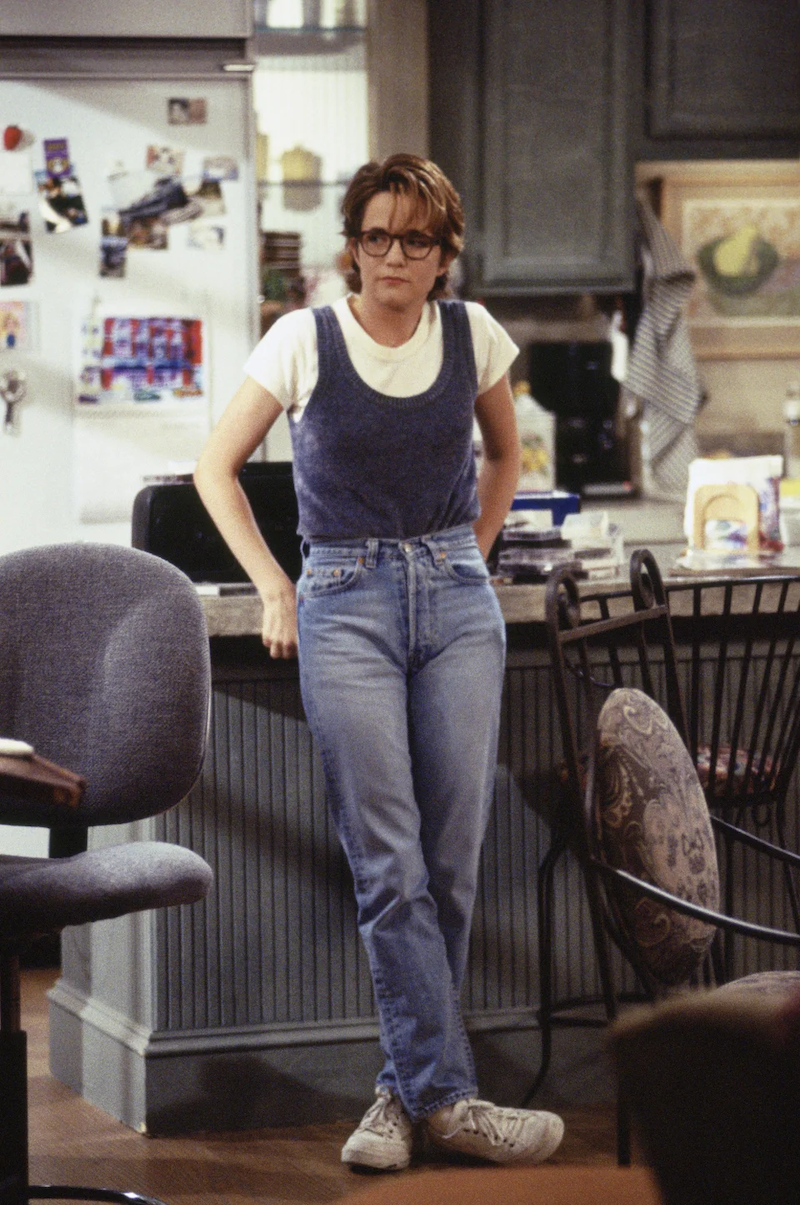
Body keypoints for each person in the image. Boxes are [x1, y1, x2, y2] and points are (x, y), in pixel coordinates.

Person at [194, 153, 565, 1171]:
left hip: (456, 603)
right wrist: (276, 586)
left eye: (415, 239)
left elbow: (505, 456)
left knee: (449, 864)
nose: (392, 256)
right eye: (374, 236)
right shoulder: (301, 338)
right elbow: (215, 468)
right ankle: (450, 1099)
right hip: (343, 601)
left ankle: (399, 1101)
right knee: (389, 865)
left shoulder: (471, 333)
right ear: (350, 245)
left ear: (443, 255)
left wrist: (468, 556)